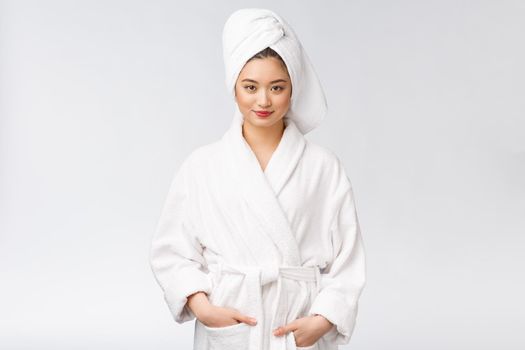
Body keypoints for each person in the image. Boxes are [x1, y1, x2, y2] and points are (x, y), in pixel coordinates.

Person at [149, 8, 366, 350]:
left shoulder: (324, 167)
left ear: (292, 89)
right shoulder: (202, 166)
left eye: (276, 87)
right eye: (250, 86)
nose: (263, 100)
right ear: (233, 87)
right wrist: (203, 307)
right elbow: (171, 252)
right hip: (232, 324)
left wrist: (323, 320)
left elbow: (347, 260)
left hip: (298, 325)